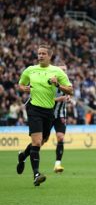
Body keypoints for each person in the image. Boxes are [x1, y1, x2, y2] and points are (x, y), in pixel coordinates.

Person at [16, 45, 73, 186]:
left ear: (50, 56)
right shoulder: (30, 70)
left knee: (41, 142)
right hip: (34, 109)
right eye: (39, 53)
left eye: (43, 53)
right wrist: (24, 88)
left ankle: (23, 155)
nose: (40, 56)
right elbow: (20, 85)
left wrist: (58, 85)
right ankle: (36, 174)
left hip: (49, 112)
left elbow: (70, 90)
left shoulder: (57, 71)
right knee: (36, 142)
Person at [52, 63, 70, 173]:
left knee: (60, 137)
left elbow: (68, 96)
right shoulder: (51, 83)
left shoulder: (68, 84)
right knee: (41, 140)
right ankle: (25, 155)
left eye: (65, 70)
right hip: (48, 114)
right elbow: (47, 99)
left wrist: (68, 99)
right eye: (62, 70)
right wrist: (61, 99)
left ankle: (57, 164)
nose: (64, 72)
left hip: (61, 115)